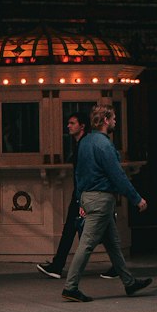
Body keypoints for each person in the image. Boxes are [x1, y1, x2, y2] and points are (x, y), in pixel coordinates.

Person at [61, 101, 152, 302]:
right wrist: (137, 199)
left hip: (87, 197)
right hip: (101, 200)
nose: (115, 122)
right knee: (86, 244)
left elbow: (78, 173)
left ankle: (129, 282)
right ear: (105, 120)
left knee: (113, 243)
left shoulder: (84, 142)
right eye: (113, 118)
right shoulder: (104, 145)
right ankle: (70, 287)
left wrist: (80, 200)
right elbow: (117, 175)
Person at [37, 112, 87, 279]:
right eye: (68, 123)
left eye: (72, 123)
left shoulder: (84, 145)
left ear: (82, 126)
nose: (68, 126)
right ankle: (58, 265)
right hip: (81, 193)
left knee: (97, 233)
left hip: (83, 194)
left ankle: (59, 266)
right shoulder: (78, 144)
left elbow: (84, 173)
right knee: (72, 230)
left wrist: (82, 198)